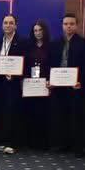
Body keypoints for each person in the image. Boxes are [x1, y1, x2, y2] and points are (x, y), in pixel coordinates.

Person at [49, 13, 85, 154]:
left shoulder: (83, 43)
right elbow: (51, 64)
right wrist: (50, 80)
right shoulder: (55, 43)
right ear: (62, 26)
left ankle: (77, 147)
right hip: (58, 85)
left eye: (71, 24)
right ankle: (62, 144)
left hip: (75, 86)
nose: (68, 26)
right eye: (66, 24)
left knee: (76, 116)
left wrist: (81, 81)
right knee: (61, 115)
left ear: (76, 25)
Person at [0, 14, 25, 154]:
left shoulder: (21, 42)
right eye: (5, 23)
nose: (8, 25)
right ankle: (2, 141)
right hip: (0, 82)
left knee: (12, 112)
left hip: (14, 83)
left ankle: (12, 142)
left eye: (11, 23)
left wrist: (17, 74)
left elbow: (25, 63)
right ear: (2, 25)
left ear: (15, 25)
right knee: (0, 111)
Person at [23, 19, 54, 150]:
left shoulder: (51, 47)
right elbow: (25, 65)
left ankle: (44, 142)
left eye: (40, 30)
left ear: (44, 31)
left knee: (44, 113)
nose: (38, 33)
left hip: (45, 84)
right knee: (32, 112)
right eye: (35, 30)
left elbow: (53, 65)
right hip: (31, 84)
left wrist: (51, 81)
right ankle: (31, 141)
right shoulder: (29, 46)